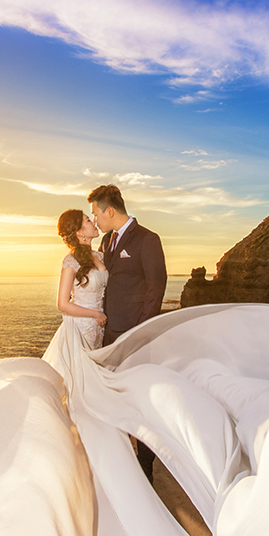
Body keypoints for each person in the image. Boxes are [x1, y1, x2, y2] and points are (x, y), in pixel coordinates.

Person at [87, 183, 167, 480]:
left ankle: (146, 467)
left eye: (95, 213)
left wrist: (141, 332)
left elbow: (156, 286)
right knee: (114, 399)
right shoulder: (106, 241)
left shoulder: (147, 239)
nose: (94, 219)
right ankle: (120, 463)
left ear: (109, 210)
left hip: (137, 335)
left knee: (140, 402)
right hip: (109, 335)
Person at [55, 209, 109, 349]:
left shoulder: (100, 256)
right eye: (88, 220)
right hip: (82, 327)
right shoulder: (71, 261)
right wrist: (96, 314)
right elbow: (63, 304)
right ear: (80, 232)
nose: (94, 222)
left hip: (99, 327)